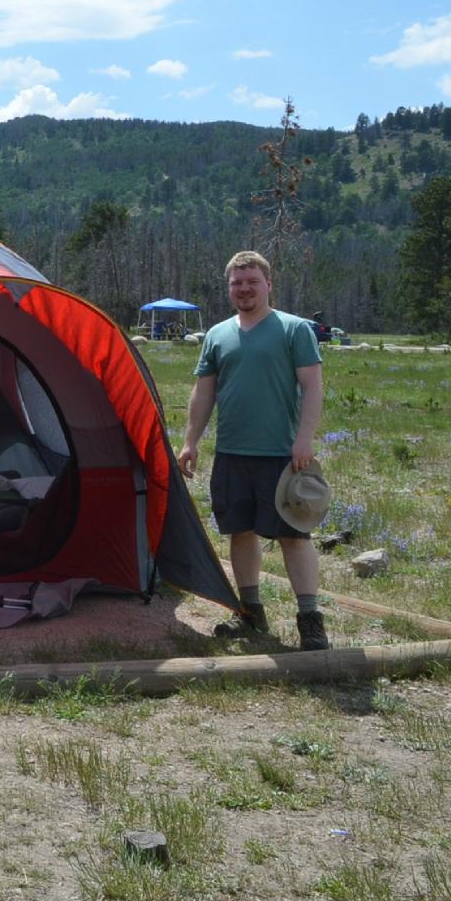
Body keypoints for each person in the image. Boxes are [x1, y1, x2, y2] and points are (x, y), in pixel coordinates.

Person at [175, 250, 328, 650]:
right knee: (239, 532)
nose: (244, 289)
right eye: (237, 283)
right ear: (229, 288)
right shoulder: (217, 335)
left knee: (294, 536)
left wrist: (304, 438)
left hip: (283, 454)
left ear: (268, 284)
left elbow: (312, 387)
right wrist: (191, 441)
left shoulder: (294, 330)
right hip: (232, 453)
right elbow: (203, 391)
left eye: (251, 282)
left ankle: (310, 620)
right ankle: (250, 612)